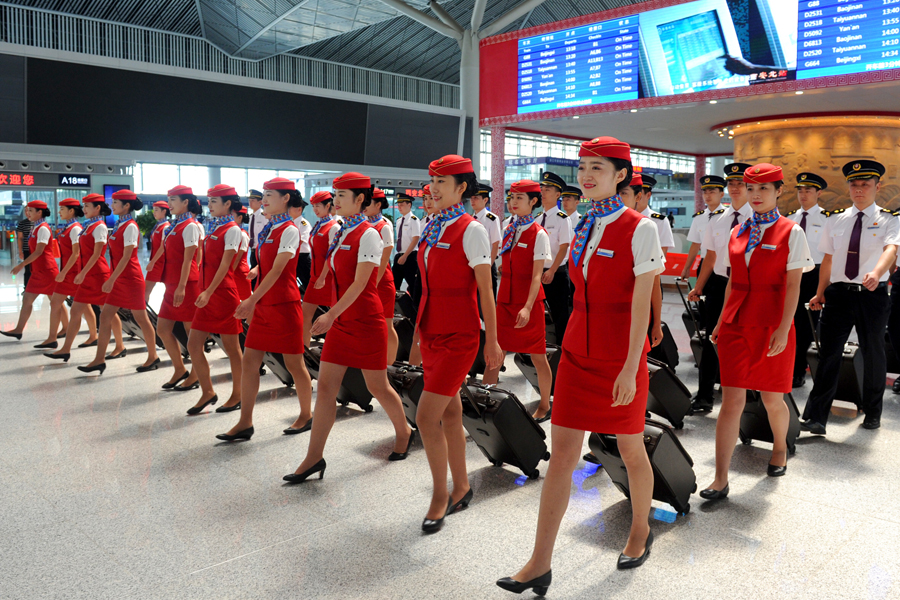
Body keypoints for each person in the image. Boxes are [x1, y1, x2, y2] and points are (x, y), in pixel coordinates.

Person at [498, 137, 664, 596]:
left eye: (598, 167)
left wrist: (633, 366)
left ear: (621, 176)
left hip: (618, 360)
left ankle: (639, 530)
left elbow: (639, 309)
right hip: (575, 355)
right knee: (562, 459)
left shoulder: (640, 228)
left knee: (631, 450)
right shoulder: (581, 224)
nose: (587, 175)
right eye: (583, 166)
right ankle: (539, 562)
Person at [284, 173, 414, 482]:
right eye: (335, 194)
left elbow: (361, 284)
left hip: (365, 321)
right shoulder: (339, 233)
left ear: (360, 200)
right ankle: (313, 457)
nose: (336, 200)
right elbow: (337, 274)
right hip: (341, 321)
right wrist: (323, 287)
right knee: (326, 389)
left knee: (377, 386)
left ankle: (404, 430)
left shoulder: (370, 234)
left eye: (342, 195)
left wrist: (329, 315)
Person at [701, 164, 813, 500]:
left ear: (779, 191)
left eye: (764, 189)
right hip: (736, 323)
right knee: (731, 400)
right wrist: (721, 321)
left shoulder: (791, 232)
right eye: (751, 189)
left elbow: (795, 285)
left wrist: (783, 328)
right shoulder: (738, 232)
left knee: (771, 398)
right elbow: (733, 280)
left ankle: (780, 446)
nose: (756, 195)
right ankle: (720, 477)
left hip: (772, 324)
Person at [415, 155, 502, 534]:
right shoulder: (432, 226)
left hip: (459, 336)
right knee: (449, 414)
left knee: (424, 416)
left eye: (443, 182)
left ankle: (440, 495)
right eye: (432, 180)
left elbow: (486, 290)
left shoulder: (472, 230)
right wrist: (419, 334)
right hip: (432, 331)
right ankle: (463, 486)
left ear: (462, 188)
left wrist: (493, 343)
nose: (434, 187)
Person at [802, 160, 900, 434]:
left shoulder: (890, 218)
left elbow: (891, 249)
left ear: (877, 187)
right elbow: (828, 260)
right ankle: (817, 416)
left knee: (873, 354)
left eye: (865, 184)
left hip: (872, 296)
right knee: (828, 355)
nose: (859, 189)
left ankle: (872, 411)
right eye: (854, 185)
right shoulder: (836, 219)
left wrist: (876, 272)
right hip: (839, 295)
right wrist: (820, 293)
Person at [217, 178, 314, 442]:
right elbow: (269, 263)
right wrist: (256, 270)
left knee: (295, 363)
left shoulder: (290, 229)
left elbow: (280, 269)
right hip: (263, 306)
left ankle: (306, 414)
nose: (265, 199)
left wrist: (250, 299)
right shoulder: (270, 228)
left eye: (270, 195)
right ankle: (245, 422)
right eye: (265, 195)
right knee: (250, 361)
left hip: (283, 306)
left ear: (286, 199)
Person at [482, 180, 553, 422]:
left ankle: (545, 404)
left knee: (538, 356)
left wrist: (527, 307)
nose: (513, 202)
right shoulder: (507, 227)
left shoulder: (539, 233)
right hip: (505, 300)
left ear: (533, 202)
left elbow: (536, 276)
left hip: (527, 303)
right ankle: (485, 402)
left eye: (519, 198)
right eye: (511, 197)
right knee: (494, 354)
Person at [687, 163, 753, 412]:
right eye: (732, 184)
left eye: (740, 184)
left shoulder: (756, 218)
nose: (735, 188)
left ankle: (743, 399)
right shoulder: (718, 219)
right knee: (710, 338)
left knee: (744, 340)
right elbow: (710, 257)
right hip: (718, 284)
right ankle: (705, 396)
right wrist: (699, 286)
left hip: (747, 287)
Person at [77, 190, 159, 375]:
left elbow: (127, 256)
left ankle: (153, 356)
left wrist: (111, 279)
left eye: (115, 203)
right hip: (119, 278)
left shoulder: (130, 226)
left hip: (130, 279)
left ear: (126, 206)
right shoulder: (120, 225)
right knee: (105, 316)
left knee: (142, 319)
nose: (112, 206)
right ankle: (99, 360)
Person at [182, 185, 246, 414]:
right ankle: (208, 392)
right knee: (193, 344)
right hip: (206, 294)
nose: (209, 205)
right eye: (209, 201)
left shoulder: (233, 230)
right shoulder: (213, 228)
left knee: (232, 348)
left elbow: (226, 266)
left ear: (228, 204)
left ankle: (238, 393)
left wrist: (208, 291)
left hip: (223, 295)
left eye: (214, 201)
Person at [45, 195, 121, 363]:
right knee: (76, 310)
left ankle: (120, 345)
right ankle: (65, 349)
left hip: (97, 276)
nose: (84, 209)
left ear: (97, 208)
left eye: (87, 206)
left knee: (107, 312)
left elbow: (97, 254)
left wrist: (82, 272)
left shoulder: (100, 226)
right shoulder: (88, 226)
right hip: (87, 275)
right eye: (84, 206)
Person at [146, 186, 202, 390]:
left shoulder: (190, 226)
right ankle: (180, 368)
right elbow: (164, 246)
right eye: (169, 200)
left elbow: (190, 259)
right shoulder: (174, 225)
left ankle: (197, 374)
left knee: (191, 333)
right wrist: (154, 261)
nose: (169, 204)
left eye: (173, 200)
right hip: (171, 284)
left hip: (186, 285)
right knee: (162, 329)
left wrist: (182, 286)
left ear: (185, 202)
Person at [786, 172, 828, 388]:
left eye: (808, 190)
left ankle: (799, 369)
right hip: (792, 273)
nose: (803, 194)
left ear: (818, 193)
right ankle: (787, 366)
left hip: (816, 276)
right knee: (788, 321)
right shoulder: (789, 219)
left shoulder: (828, 218)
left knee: (807, 325)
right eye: (800, 190)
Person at [2, 201, 61, 342]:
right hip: (38, 270)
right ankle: (18, 330)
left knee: (56, 301)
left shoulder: (43, 229)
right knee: (27, 299)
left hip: (47, 271)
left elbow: (39, 252)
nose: (28, 213)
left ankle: (63, 329)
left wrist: (21, 265)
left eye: (31, 211)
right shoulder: (36, 227)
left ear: (39, 212)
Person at [46, 199, 97, 350]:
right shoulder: (69, 227)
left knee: (64, 303)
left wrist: (63, 272)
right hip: (69, 272)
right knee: (81, 305)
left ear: (71, 211)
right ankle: (53, 337)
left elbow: (76, 254)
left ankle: (53, 338)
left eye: (62, 209)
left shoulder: (75, 228)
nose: (59, 212)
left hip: (72, 272)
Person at [364, 188, 399, 363]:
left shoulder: (384, 226)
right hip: (367, 279)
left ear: (378, 205)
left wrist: (373, 283)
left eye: (368, 203)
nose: (364, 206)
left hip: (381, 281)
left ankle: (389, 363)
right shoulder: (364, 224)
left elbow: (385, 260)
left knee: (387, 323)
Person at [537, 172, 572, 344]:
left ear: (558, 194)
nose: (543, 192)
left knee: (560, 317)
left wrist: (551, 270)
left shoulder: (562, 219)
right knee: (538, 316)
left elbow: (564, 247)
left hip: (556, 274)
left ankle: (562, 350)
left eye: (548, 189)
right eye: (542, 188)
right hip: (538, 274)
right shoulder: (537, 219)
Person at [302, 191, 340, 350]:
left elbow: (330, 256)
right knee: (304, 315)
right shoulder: (318, 225)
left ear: (328, 206)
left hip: (328, 278)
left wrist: (323, 276)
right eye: (314, 206)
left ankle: (334, 351)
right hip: (314, 277)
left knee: (336, 318)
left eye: (318, 206)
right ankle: (302, 350)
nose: (315, 209)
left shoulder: (334, 227)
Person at [408, 193, 440, 367]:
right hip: (423, 277)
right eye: (425, 199)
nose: (427, 203)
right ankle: (413, 373)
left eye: (431, 198)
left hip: (440, 284)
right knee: (418, 330)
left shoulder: (452, 225)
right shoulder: (426, 223)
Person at [680, 176, 726, 281]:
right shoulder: (699, 217)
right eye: (705, 192)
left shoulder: (729, 216)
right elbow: (695, 244)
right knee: (701, 296)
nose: (707, 195)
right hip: (704, 263)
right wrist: (686, 268)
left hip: (723, 264)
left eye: (712, 192)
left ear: (721, 194)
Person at [472, 183, 502, 295]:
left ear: (485, 200)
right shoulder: (470, 218)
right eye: (472, 197)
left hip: (486, 262)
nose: (472, 200)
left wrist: (489, 265)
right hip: (472, 263)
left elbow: (495, 244)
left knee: (488, 295)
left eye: (476, 198)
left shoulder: (491, 219)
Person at [635, 174, 676, 255]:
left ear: (648, 195)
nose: (635, 198)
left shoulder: (659, 221)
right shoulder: (621, 218)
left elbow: (662, 252)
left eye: (639, 195)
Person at [391, 193, 421, 293]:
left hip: (410, 256)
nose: (399, 207)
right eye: (398, 205)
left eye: (402, 204)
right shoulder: (399, 220)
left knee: (413, 285)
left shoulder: (414, 220)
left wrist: (405, 256)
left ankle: (414, 307)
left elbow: (415, 239)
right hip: (398, 255)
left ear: (409, 205)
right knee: (394, 285)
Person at [145, 201, 171, 302]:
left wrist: (152, 262)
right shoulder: (158, 225)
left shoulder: (165, 227)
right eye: (153, 210)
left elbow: (162, 247)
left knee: (146, 290)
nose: (154, 213)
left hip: (160, 262)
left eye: (156, 210)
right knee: (146, 290)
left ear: (164, 211)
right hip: (157, 262)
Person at [230, 203, 253, 302]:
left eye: (232, 216)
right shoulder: (234, 232)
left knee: (244, 300)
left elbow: (238, 257)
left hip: (239, 272)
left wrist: (229, 273)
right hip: (233, 270)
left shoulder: (243, 235)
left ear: (240, 218)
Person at [289, 200, 312, 290]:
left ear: (299, 209)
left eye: (291, 207)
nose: (289, 209)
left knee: (307, 281)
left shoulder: (304, 223)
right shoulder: (292, 223)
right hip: (295, 255)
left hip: (302, 257)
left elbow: (301, 240)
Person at [247, 189, 267, 275]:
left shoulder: (264, 216)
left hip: (261, 249)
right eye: (249, 200)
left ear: (260, 202)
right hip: (252, 249)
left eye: (253, 201)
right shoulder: (251, 217)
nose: (250, 203)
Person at [15, 213, 33, 290]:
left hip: (36, 249)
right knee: (28, 269)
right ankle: (27, 288)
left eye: (30, 210)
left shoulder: (39, 224)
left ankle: (40, 288)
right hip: (27, 249)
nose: (28, 213)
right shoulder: (22, 223)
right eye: (26, 210)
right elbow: (20, 238)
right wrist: (20, 251)